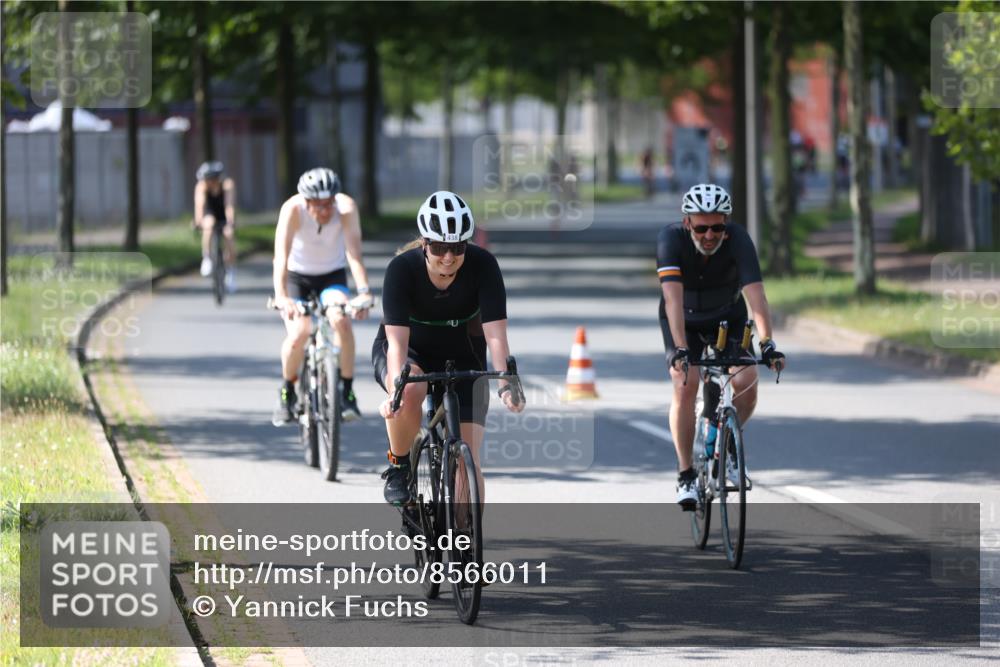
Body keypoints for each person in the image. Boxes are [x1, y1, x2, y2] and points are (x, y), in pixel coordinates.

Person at [374, 190, 524, 506]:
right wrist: (394, 393)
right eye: (440, 247)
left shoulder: (484, 266)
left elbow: (496, 335)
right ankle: (399, 467)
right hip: (409, 355)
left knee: (468, 462)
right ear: (425, 244)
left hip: (464, 356)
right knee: (411, 391)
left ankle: (466, 546)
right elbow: (397, 347)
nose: (448, 257)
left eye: (457, 247)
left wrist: (507, 384)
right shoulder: (402, 270)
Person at [656, 183, 786, 509]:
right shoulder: (670, 240)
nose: (710, 235)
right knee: (685, 384)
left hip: (727, 318)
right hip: (683, 320)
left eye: (717, 226)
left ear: (725, 223)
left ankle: (726, 443)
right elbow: (671, 299)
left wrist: (768, 343)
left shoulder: (739, 239)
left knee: (746, 382)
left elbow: (756, 295)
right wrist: (681, 350)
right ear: (688, 223)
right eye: (701, 228)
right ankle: (686, 474)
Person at [271, 167, 373, 426]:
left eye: (329, 204)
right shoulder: (292, 210)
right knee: (300, 331)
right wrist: (282, 296)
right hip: (297, 278)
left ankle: (347, 392)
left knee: (341, 321)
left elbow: (354, 255)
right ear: (306, 202)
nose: (325, 211)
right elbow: (280, 258)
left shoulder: (346, 208)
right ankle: (287, 391)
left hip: (331, 275)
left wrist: (363, 292)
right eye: (318, 206)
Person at [193, 161, 237, 292]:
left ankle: (230, 272)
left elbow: (229, 206)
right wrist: (198, 221)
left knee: (229, 235)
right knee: (209, 224)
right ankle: (207, 258)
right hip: (210, 213)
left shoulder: (227, 185)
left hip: (223, 214)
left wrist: (230, 221)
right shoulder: (201, 187)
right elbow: (199, 206)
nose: (208, 182)